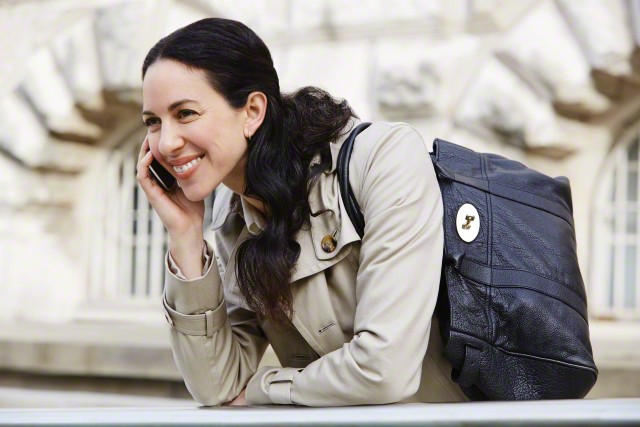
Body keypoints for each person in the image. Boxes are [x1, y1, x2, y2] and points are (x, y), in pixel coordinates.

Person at [136, 17, 468, 406]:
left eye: (186, 113)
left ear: (252, 111)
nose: (167, 142)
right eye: (153, 122)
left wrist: (265, 389)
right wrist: (186, 235)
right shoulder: (232, 214)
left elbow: (385, 369)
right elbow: (217, 385)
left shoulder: (383, 158)